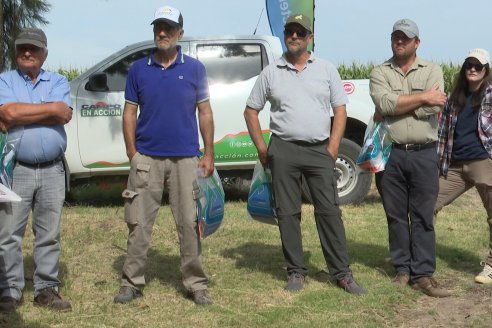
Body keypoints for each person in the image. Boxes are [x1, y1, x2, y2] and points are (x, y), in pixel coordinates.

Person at [244, 13, 366, 295]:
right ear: (286, 36)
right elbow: (251, 110)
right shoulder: (272, 71)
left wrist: (333, 147)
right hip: (283, 149)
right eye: (290, 32)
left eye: (300, 32)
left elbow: (340, 109)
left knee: (329, 212)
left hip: (319, 151)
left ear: (309, 37)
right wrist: (263, 149)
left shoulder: (325, 69)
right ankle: (296, 272)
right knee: (287, 213)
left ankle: (342, 273)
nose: (294, 36)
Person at [113, 5, 215, 306]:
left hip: (186, 159)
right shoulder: (138, 69)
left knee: (189, 223)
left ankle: (196, 284)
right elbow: (129, 113)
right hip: (147, 159)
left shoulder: (195, 68)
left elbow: (205, 113)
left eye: (169, 28)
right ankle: (131, 282)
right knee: (139, 224)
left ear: (180, 34)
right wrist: (133, 154)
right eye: (158, 26)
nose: (162, 32)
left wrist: (208, 153)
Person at [369, 19, 450, 297]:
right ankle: (402, 269)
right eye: (396, 36)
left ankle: (423, 274)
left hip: (424, 154)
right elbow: (383, 104)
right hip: (391, 155)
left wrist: (397, 105)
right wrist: (421, 97)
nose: (399, 41)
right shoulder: (380, 71)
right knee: (395, 215)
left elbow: (432, 109)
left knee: (423, 216)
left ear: (417, 42)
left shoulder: (432, 70)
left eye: (406, 37)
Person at [0, 28, 73, 312]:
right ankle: (9, 290)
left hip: (53, 169)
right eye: (21, 48)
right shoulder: (5, 80)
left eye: (33, 48)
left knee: (49, 234)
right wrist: (47, 109)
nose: (27, 52)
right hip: (15, 169)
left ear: (44, 53)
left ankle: (46, 289)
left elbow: (63, 113)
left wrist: (21, 111)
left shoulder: (58, 80)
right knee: (8, 234)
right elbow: (6, 114)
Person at [435, 48, 492, 284]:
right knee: (427, 205)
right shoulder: (454, 98)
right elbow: (442, 132)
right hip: (455, 165)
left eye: (478, 66)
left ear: (485, 70)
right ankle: (418, 257)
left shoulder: (490, 94)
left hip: (483, 162)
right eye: (469, 65)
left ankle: (490, 266)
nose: (473, 69)